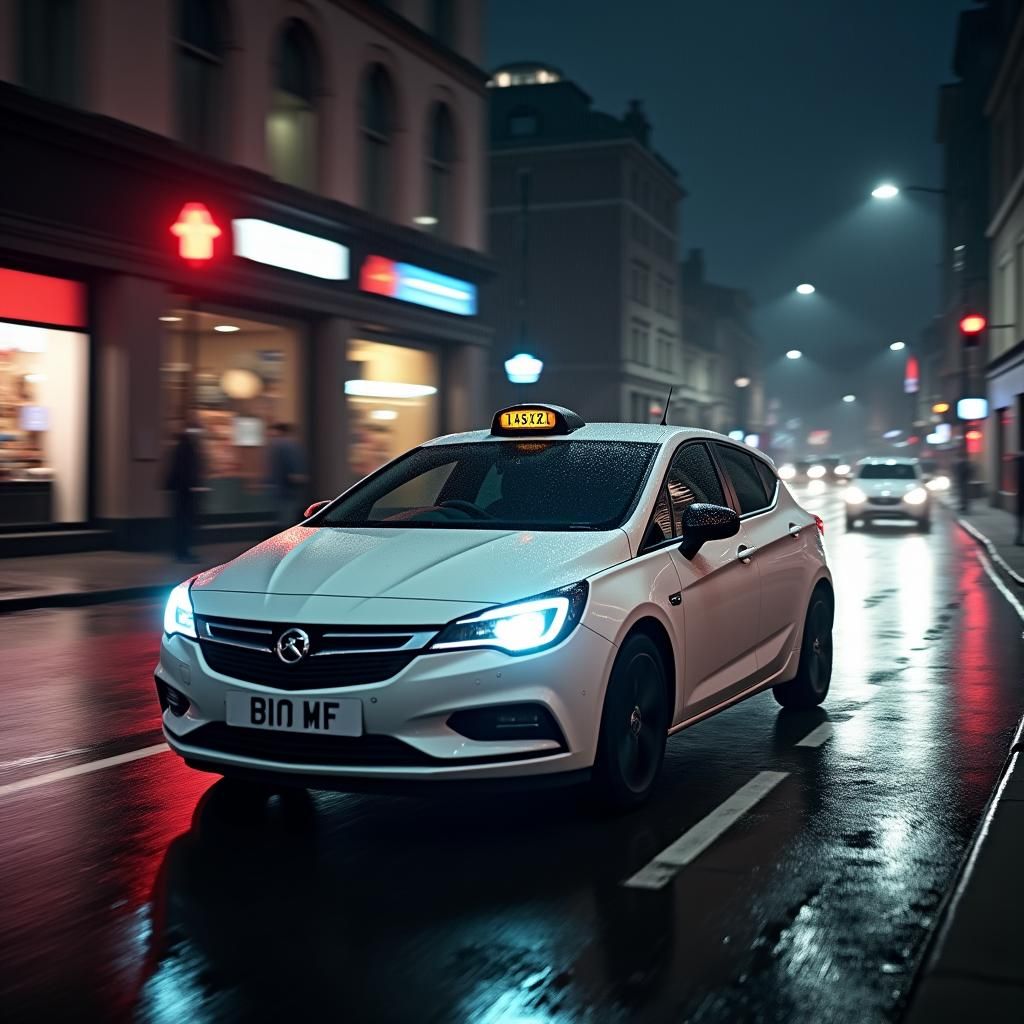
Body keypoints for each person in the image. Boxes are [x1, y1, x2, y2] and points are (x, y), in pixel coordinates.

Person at [166, 417, 203, 562]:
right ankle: (183, 551)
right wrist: (192, 485)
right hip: (185, 490)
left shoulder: (181, 445)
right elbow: (187, 470)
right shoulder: (187, 446)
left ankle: (180, 550)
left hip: (182, 490)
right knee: (184, 521)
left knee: (181, 521)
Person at [267, 422, 307, 526]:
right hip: (287, 491)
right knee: (287, 519)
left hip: (283, 491)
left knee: (285, 519)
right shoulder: (288, 445)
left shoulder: (281, 446)